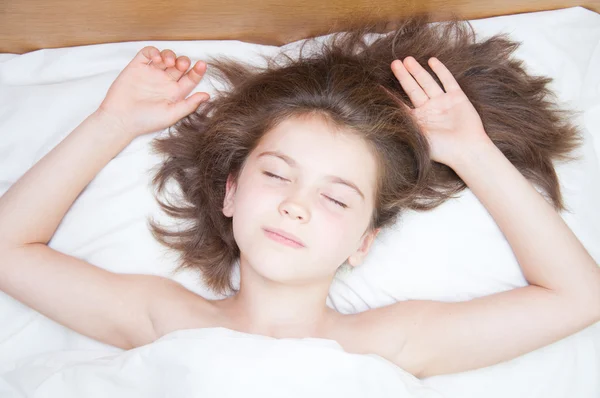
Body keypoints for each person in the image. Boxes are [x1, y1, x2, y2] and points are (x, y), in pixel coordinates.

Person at [0, 18, 598, 379]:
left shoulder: (392, 342)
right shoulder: (165, 319)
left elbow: (578, 297)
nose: (296, 205)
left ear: (364, 242)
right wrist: (113, 121)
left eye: (337, 199)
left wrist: (473, 152)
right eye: (277, 175)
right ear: (231, 192)